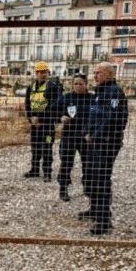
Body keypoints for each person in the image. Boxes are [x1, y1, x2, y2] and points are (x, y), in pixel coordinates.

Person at [81, 64, 129, 235]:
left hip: (107, 143)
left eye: (98, 73)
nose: (95, 76)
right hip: (94, 141)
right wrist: (87, 131)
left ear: (109, 74)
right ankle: (95, 210)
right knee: (91, 176)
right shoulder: (100, 92)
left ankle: (104, 220)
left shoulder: (114, 92)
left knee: (101, 179)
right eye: (94, 73)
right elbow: (92, 116)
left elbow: (112, 119)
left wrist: (95, 135)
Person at [51, 73, 96, 203]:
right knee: (66, 163)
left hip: (85, 137)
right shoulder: (67, 97)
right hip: (69, 136)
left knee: (87, 164)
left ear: (86, 84)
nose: (77, 86)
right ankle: (63, 189)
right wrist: (60, 117)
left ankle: (88, 187)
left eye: (80, 83)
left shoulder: (92, 99)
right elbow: (53, 110)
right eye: (75, 83)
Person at [24, 61, 63, 182]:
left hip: (47, 126)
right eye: (40, 72)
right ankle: (34, 169)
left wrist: (41, 120)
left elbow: (54, 107)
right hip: (35, 126)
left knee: (47, 147)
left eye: (44, 72)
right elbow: (27, 105)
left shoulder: (52, 87)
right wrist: (31, 118)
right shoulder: (31, 88)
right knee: (35, 147)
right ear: (36, 73)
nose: (42, 75)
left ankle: (47, 172)